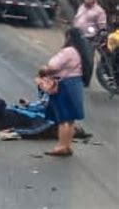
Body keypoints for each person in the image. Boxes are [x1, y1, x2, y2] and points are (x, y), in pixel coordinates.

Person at [38, 28, 93, 157]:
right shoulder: (82, 52)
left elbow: (53, 66)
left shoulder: (68, 51)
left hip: (64, 85)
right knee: (71, 119)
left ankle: (61, 146)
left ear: (69, 37)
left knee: (62, 118)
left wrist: (43, 69)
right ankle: (67, 145)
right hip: (76, 84)